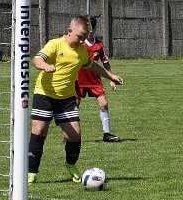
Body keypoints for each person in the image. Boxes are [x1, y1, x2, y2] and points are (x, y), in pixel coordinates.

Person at [27, 15, 124, 185]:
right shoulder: (55, 44)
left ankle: (71, 164)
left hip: (66, 98)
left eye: (84, 38)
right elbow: (37, 59)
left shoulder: (81, 50)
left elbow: (92, 65)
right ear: (69, 31)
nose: (81, 41)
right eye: (79, 37)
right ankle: (31, 172)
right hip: (45, 94)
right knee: (39, 131)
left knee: (74, 135)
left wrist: (111, 76)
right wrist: (45, 66)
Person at [75, 15, 120, 143]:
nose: (89, 31)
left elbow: (105, 62)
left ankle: (107, 134)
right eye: (87, 28)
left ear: (94, 29)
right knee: (74, 106)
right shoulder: (79, 44)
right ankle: (70, 136)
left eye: (91, 29)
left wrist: (111, 79)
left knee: (104, 104)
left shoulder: (99, 44)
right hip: (79, 79)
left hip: (95, 80)